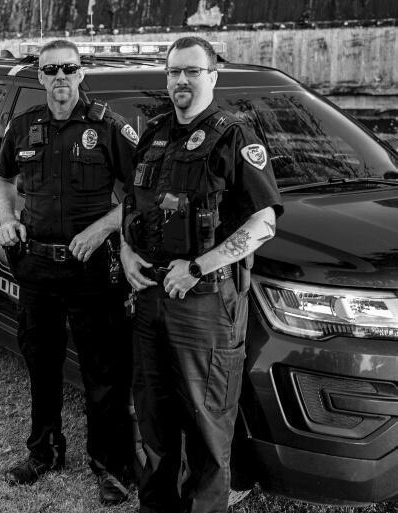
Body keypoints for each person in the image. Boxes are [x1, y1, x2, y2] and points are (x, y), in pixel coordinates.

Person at [120, 37, 283, 513]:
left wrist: (197, 267)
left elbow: (264, 222)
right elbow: (131, 206)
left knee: (207, 433)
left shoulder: (234, 136)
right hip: (150, 299)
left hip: (206, 307)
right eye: (173, 72)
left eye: (192, 71)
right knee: (152, 421)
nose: (181, 81)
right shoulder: (153, 134)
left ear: (213, 74)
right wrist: (127, 253)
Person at [0, 39, 137, 505]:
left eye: (68, 69)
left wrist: (100, 229)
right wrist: (7, 219)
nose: (59, 77)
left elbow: (141, 194)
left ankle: (109, 466)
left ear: (81, 73)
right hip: (36, 266)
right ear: (39, 76)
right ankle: (44, 452)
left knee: (102, 369)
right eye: (50, 69)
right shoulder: (23, 127)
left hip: (91, 268)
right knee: (41, 360)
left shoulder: (108, 126)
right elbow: (1, 178)